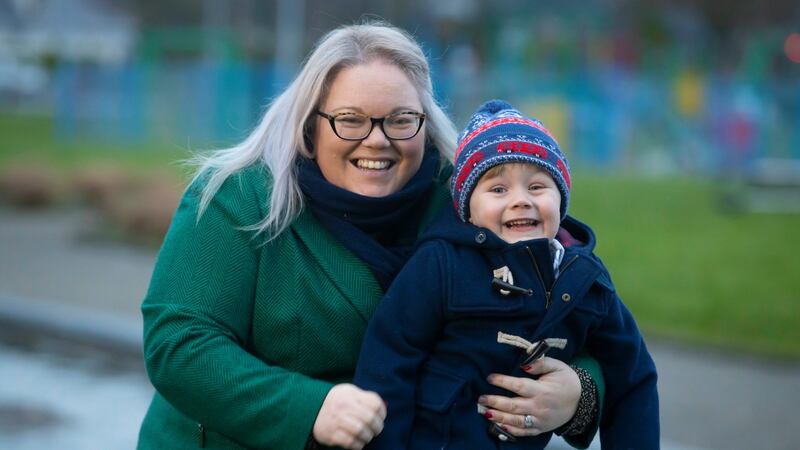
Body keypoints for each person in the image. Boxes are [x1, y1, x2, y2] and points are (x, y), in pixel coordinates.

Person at [138, 22, 606, 450]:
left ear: (424, 123)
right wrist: (309, 409)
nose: (377, 140)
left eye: (400, 119)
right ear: (310, 127)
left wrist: (576, 394)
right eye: (351, 120)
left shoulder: (470, 204)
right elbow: (180, 343)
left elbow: (580, 312)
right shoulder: (239, 196)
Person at [353, 100, 659, 449]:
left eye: (537, 187)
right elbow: (390, 359)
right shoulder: (441, 264)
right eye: (498, 189)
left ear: (561, 198)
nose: (520, 200)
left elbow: (634, 376)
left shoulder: (585, 281)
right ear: (468, 208)